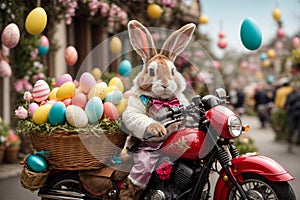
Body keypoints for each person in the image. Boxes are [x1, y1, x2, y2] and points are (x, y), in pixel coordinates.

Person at [120, 20, 195, 199]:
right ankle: (129, 194)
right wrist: (149, 124)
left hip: (174, 144)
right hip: (148, 145)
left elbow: (188, 112)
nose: (164, 81)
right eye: (154, 73)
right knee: (144, 164)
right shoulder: (141, 97)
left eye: (170, 73)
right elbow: (131, 116)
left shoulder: (178, 97)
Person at [285, 82, 300, 153]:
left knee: (292, 128)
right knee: (293, 128)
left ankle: (291, 141)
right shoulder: (293, 95)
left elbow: (287, 104)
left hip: (293, 113)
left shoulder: (291, 95)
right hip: (294, 113)